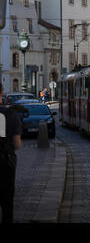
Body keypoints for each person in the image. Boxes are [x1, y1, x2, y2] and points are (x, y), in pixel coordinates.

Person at [0, 83, 22, 223]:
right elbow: (17, 144)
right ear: (1, 93)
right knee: (7, 205)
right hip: (5, 164)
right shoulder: (11, 114)